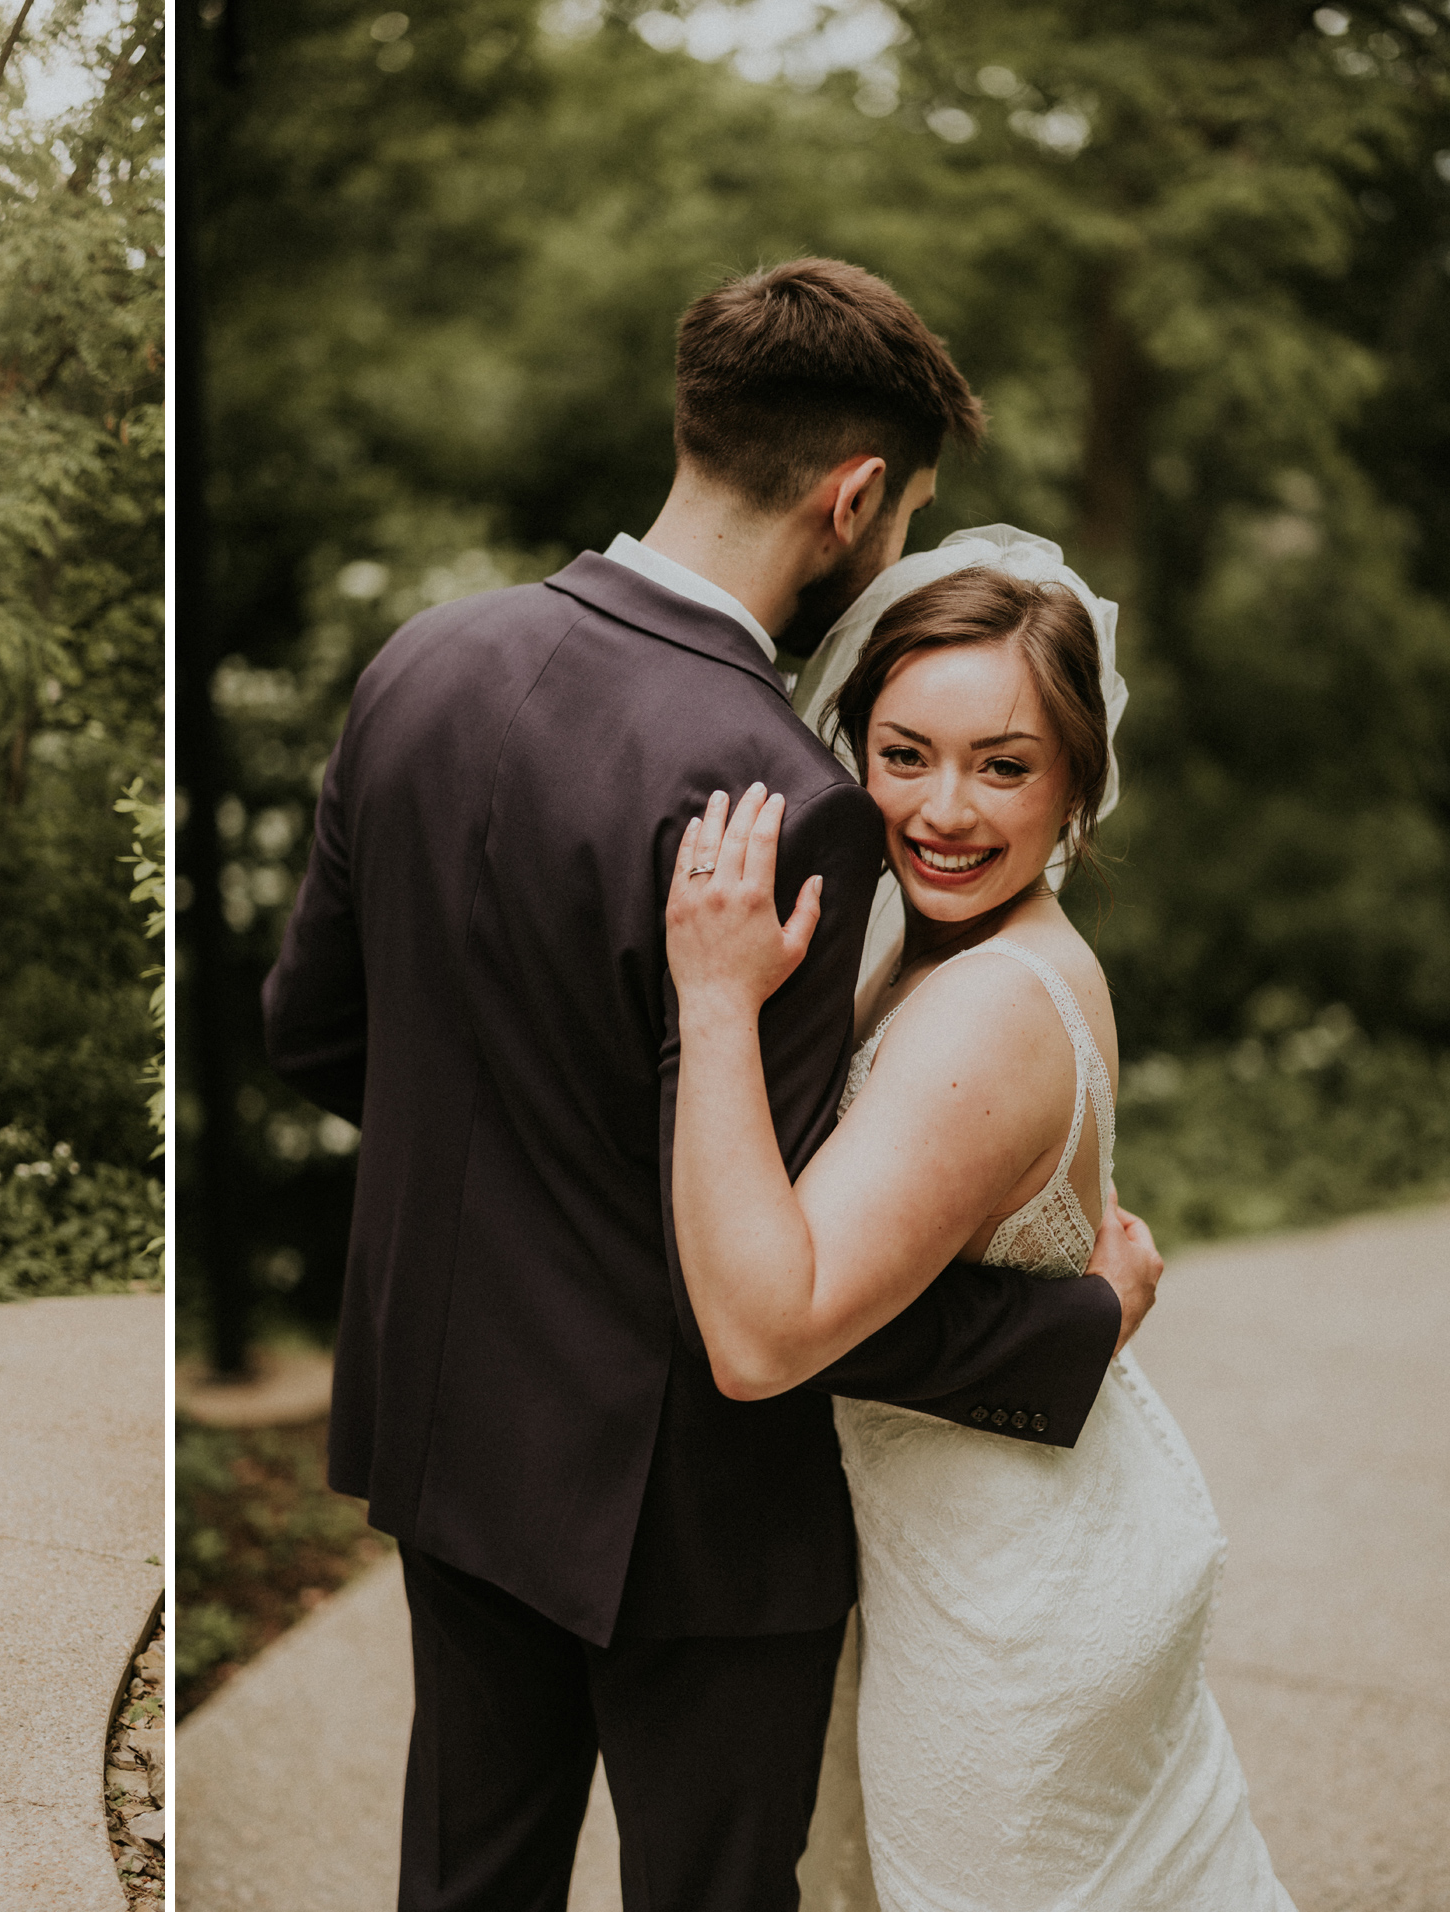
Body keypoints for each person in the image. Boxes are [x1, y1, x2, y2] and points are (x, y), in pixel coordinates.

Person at [261, 258, 1164, 1911]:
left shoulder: (425, 664)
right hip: (690, 1513)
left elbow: (319, 1032)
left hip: (453, 1421)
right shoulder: (781, 791)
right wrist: (1070, 1325)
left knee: (467, 1881)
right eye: (899, 517)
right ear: (854, 494)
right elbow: (777, 1256)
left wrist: (513, 1195)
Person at [667, 538, 1292, 1908]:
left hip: (1006, 1610)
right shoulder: (925, 944)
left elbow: (765, 1336)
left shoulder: (992, 1006)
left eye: (1004, 765)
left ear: (1080, 784)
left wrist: (712, 1004)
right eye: (905, 755)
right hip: (1009, 1544)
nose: (944, 809)